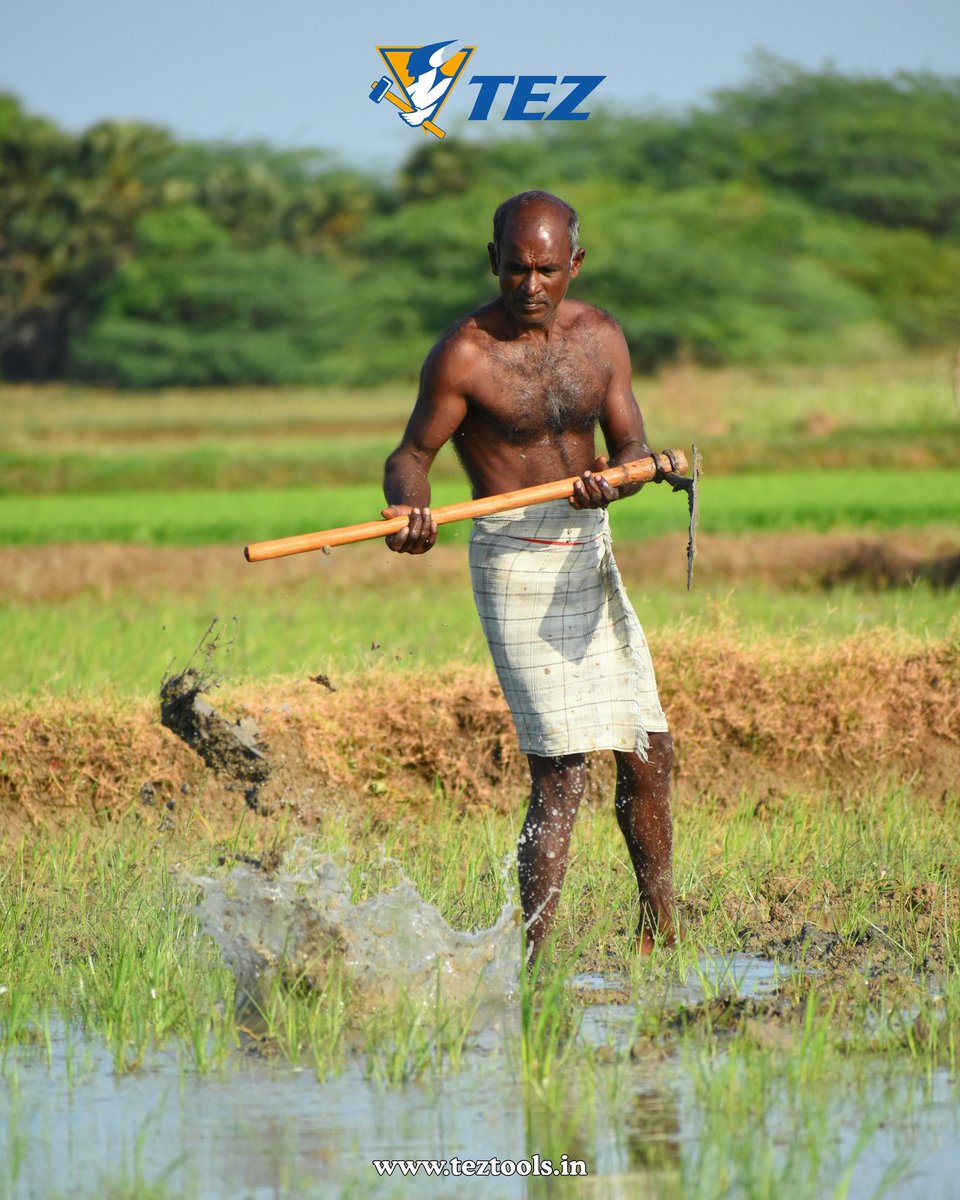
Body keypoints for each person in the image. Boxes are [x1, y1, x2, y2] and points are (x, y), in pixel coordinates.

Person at [382, 190, 678, 961]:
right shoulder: (465, 354)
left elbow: (632, 445)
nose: (531, 286)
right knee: (562, 771)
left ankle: (660, 932)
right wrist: (408, 512)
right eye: (516, 268)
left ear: (574, 264)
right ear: (493, 263)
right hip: (515, 555)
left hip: (590, 544)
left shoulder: (601, 338)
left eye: (547, 269)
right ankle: (540, 961)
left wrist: (620, 478)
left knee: (648, 749)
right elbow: (411, 458)